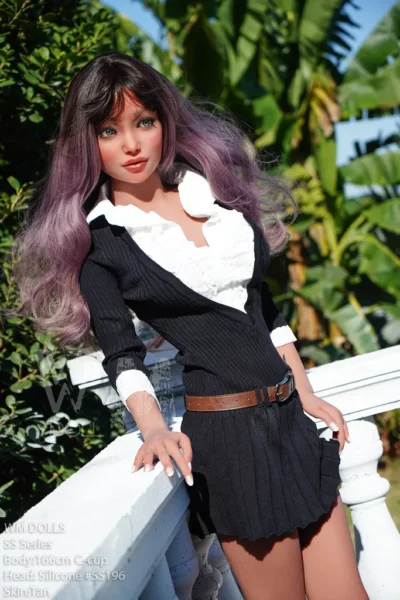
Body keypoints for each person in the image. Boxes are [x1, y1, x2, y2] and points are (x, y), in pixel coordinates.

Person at [10, 51, 369, 600]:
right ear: (87, 143)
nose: (131, 144)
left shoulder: (217, 200)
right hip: (232, 441)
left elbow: (261, 307)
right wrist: (154, 428)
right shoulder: (103, 244)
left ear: (165, 122)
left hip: (292, 423)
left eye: (144, 122)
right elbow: (122, 354)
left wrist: (306, 392)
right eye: (109, 130)